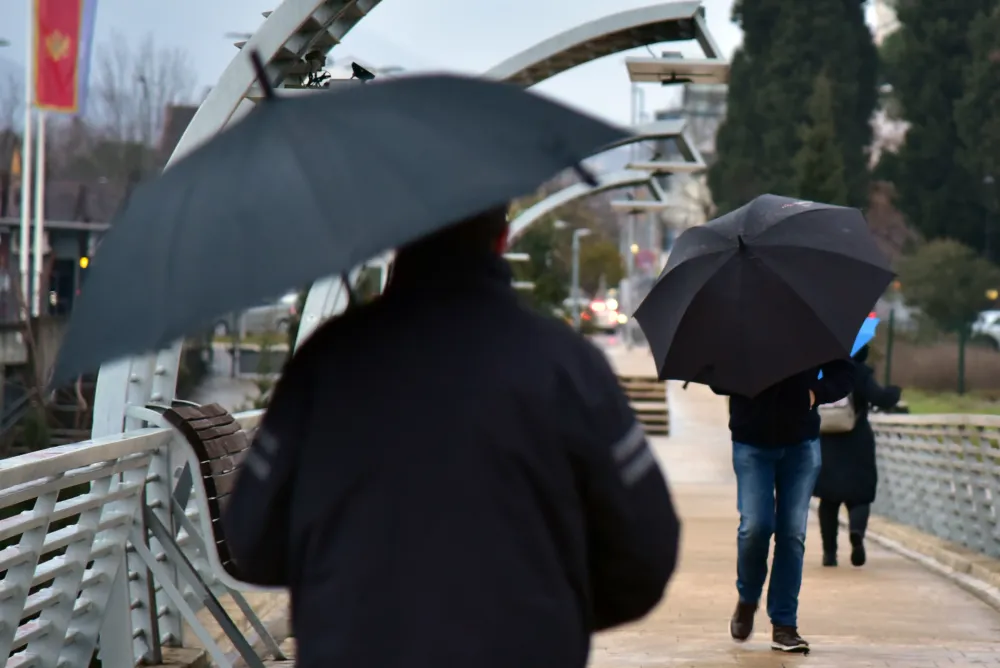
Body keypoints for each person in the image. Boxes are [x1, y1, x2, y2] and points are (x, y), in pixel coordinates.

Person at [222, 205, 681, 668]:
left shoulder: (323, 364)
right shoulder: (568, 367)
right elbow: (646, 550)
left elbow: (252, 540)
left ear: (398, 240)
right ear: (501, 241)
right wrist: (553, 612)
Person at [713, 358, 853, 654]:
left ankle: (784, 624)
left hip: (801, 442)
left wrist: (815, 393)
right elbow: (716, 378)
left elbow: (844, 374)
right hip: (751, 440)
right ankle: (748, 598)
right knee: (755, 527)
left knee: (792, 534)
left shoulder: (810, 321)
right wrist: (746, 380)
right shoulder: (738, 324)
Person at [813, 344, 901, 568]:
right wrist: (895, 391)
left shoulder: (822, 371)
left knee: (829, 500)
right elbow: (881, 398)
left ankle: (829, 553)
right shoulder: (860, 373)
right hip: (857, 441)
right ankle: (856, 532)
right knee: (860, 494)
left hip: (827, 440)